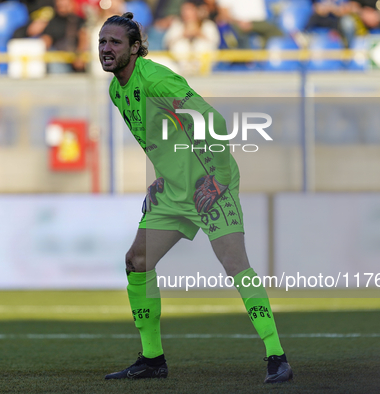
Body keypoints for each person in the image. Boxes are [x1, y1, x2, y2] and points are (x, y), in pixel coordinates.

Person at [98, 12, 293, 384]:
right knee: (137, 261)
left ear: (136, 48)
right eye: (102, 42)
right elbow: (160, 137)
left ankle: (276, 356)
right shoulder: (116, 90)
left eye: (115, 42)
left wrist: (217, 181)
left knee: (236, 266)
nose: (106, 49)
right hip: (173, 191)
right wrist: (161, 178)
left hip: (209, 186)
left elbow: (211, 121)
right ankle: (152, 359)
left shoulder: (156, 78)